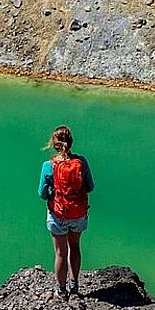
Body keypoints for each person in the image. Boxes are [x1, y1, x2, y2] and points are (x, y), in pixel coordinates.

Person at [37, 124, 95, 300]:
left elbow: (41, 193)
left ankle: (61, 290)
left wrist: (53, 194)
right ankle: (74, 285)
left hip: (58, 214)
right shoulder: (81, 162)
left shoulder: (49, 165)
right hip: (78, 214)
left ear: (54, 144)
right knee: (75, 247)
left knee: (60, 252)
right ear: (71, 142)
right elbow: (90, 187)